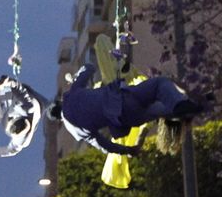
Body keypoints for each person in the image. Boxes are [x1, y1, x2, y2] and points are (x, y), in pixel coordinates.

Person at [57, 59, 200, 154]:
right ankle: (183, 104)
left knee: (160, 110)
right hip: (124, 98)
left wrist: (128, 150)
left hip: (126, 119)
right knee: (159, 84)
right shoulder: (71, 95)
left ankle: (184, 109)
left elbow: (104, 145)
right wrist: (76, 78)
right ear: (59, 103)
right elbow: (89, 68)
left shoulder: (75, 130)